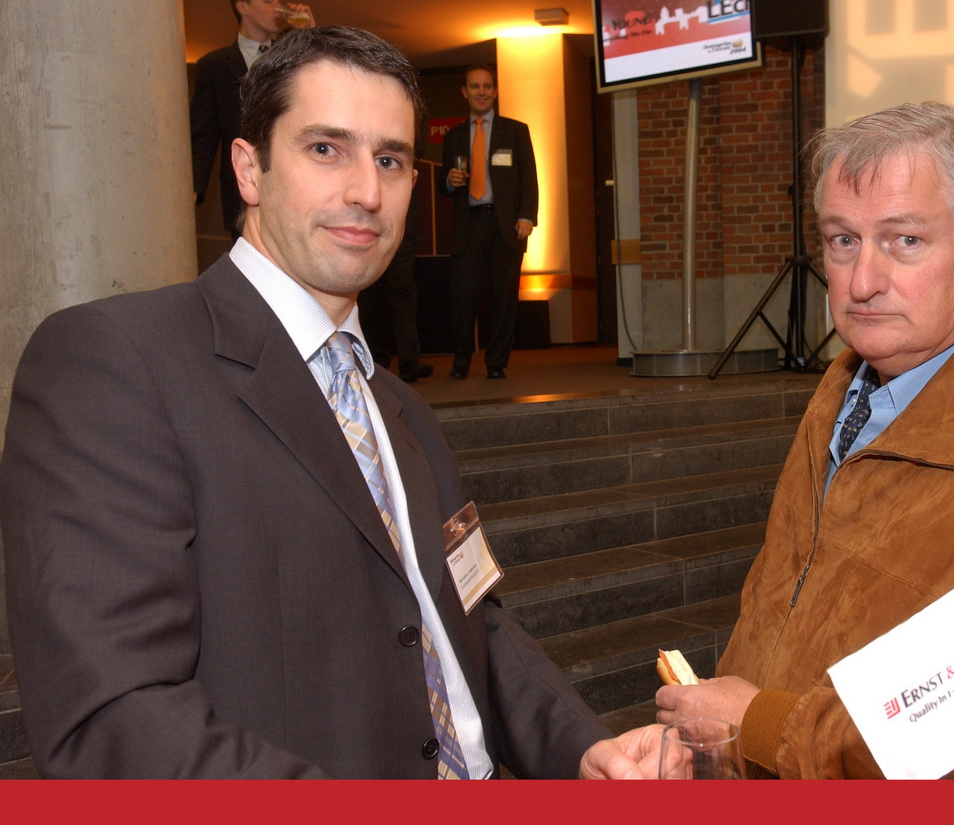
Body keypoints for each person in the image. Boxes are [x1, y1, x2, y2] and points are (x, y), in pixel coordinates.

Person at [1, 25, 662, 780]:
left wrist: (582, 748)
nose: (366, 192)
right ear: (248, 169)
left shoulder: (400, 406)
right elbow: (113, 720)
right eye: (325, 149)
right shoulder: (118, 361)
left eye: (391, 160)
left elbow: (467, 617)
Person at [655, 102, 954, 779]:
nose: (862, 283)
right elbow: (780, 616)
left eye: (905, 241)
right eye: (843, 240)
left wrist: (766, 726)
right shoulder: (841, 390)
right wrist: (714, 747)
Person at [435, 65, 538, 380]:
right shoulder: (454, 136)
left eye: (487, 86)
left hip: (506, 226)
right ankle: (461, 361)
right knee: (463, 297)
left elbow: (530, 177)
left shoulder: (516, 131)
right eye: (475, 86)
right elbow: (443, 183)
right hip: (468, 225)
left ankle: (496, 363)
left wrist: (527, 217)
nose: (481, 92)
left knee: (504, 299)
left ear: (495, 91)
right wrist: (449, 181)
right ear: (464, 92)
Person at [189, 0, 315, 235]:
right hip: (242, 192)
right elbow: (203, 136)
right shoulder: (213, 66)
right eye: (268, 1)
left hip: (292, 183)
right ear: (243, 7)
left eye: (278, 1)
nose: (277, 6)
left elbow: (317, 103)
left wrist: (309, 38)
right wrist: (193, 190)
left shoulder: (293, 60)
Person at [358, 184, 433, 382]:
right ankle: (374, 362)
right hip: (366, 227)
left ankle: (409, 362)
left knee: (403, 290)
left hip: (403, 230)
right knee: (369, 293)